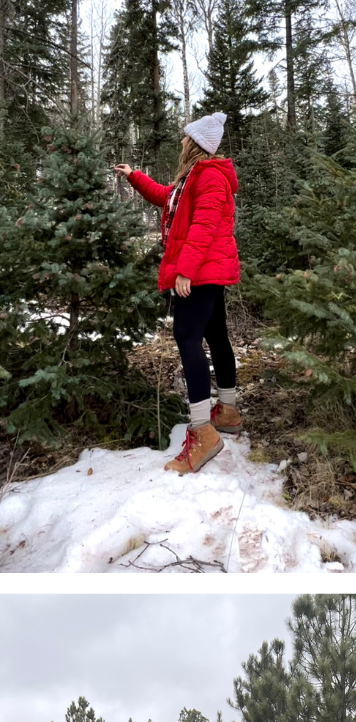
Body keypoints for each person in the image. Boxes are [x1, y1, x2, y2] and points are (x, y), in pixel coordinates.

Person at [114, 112, 241, 475]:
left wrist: (185, 269)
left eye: (186, 138)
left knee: (187, 336)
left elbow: (204, 224)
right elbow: (165, 197)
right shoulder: (189, 180)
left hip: (201, 271)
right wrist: (134, 176)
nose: (182, 142)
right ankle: (227, 411)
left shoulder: (211, 176)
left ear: (197, 144)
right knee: (215, 334)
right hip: (206, 270)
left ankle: (203, 433)